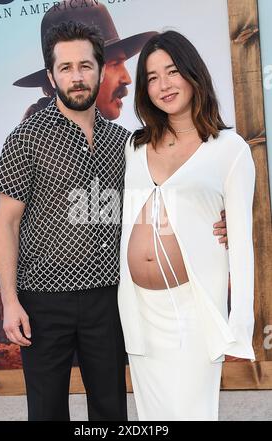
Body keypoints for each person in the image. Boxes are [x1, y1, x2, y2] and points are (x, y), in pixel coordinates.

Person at [0, 22, 228, 421]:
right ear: (51, 77)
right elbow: (6, 225)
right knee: (46, 411)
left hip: (110, 298)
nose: (77, 76)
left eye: (85, 65)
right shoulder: (26, 137)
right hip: (44, 299)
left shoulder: (128, 143)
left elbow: (173, 192)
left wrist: (219, 218)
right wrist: (10, 301)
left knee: (111, 409)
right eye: (65, 68)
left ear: (99, 70)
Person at [118, 31, 256, 421]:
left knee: (192, 412)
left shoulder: (230, 150)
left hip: (193, 313)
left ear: (193, 74)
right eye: (152, 77)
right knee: (151, 417)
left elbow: (242, 244)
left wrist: (239, 324)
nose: (164, 85)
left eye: (172, 71)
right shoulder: (136, 146)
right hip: (140, 312)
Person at [14, 1, 157, 121]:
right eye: (115, 64)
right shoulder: (28, 143)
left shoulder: (118, 142)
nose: (127, 79)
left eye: (122, 63)